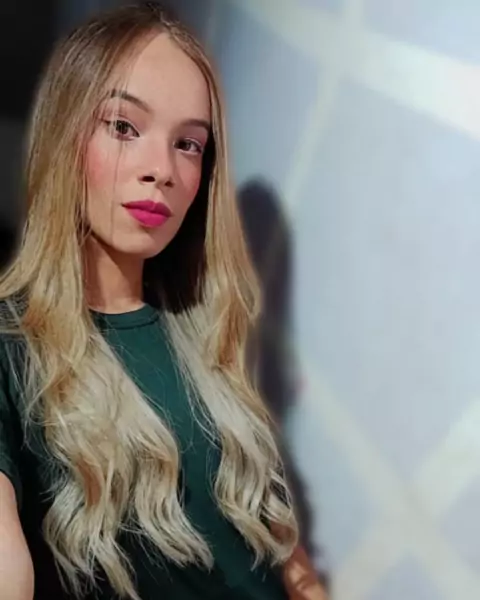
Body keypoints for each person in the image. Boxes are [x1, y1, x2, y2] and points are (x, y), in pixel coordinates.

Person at [0, 3, 326, 599]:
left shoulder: (208, 338)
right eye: (124, 127)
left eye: (189, 144)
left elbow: (285, 557)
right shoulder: (11, 346)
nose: (163, 170)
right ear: (64, 132)